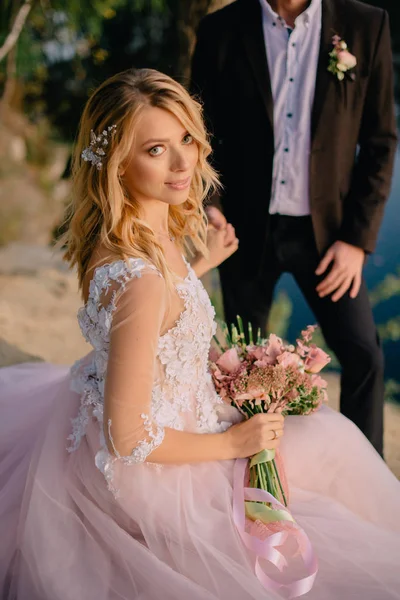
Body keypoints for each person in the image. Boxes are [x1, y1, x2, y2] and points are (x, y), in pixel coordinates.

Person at [0, 68, 400, 600]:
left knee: (325, 442)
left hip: (131, 407)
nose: (184, 161)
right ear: (118, 162)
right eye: (157, 150)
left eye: (187, 138)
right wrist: (232, 442)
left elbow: (154, 321)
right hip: (160, 465)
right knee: (331, 452)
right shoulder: (140, 280)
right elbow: (129, 436)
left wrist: (196, 269)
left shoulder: (131, 231)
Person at [190, 0, 398, 457]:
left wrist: (358, 242)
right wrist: (209, 204)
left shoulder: (367, 26)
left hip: (329, 237)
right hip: (242, 233)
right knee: (242, 365)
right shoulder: (221, 29)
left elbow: (381, 143)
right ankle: (253, 478)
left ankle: (363, 477)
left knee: (364, 355)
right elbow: (197, 132)